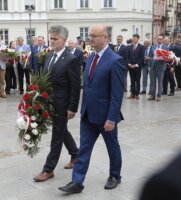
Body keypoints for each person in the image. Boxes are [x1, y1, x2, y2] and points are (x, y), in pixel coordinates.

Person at [58, 24, 125, 194]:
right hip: (88, 114)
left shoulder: (115, 60)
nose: (91, 39)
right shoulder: (91, 58)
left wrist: (111, 118)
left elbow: (117, 94)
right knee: (84, 149)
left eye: (94, 36)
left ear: (105, 38)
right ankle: (77, 182)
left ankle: (115, 175)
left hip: (105, 117)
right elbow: (87, 86)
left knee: (112, 146)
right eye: (90, 36)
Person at [33, 25, 81, 182]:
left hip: (63, 104)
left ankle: (48, 169)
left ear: (64, 40)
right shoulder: (48, 56)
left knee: (57, 135)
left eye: (55, 39)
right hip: (49, 102)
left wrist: (72, 108)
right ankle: (75, 154)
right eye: (51, 38)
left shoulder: (71, 59)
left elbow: (75, 86)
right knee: (62, 131)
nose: (52, 41)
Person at [148, 35, 169, 101]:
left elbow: (168, 58)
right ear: (156, 40)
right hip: (153, 66)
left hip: (161, 66)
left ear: (162, 40)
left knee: (160, 82)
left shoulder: (165, 47)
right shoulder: (153, 46)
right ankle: (152, 95)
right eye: (158, 39)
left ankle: (159, 95)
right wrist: (149, 66)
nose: (159, 40)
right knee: (152, 81)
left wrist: (162, 58)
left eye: (160, 39)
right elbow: (150, 57)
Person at [127, 34, 144, 100]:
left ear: (138, 39)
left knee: (137, 80)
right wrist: (129, 64)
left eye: (134, 38)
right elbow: (127, 57)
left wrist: (136, 64)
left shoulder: (141, 47)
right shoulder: (129, 47)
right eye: (132, 38)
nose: (133, 39)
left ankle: (137, 94)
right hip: (130, 67)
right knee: (132, 80)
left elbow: (141, 57)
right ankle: (132, 93)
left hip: (137, 67)